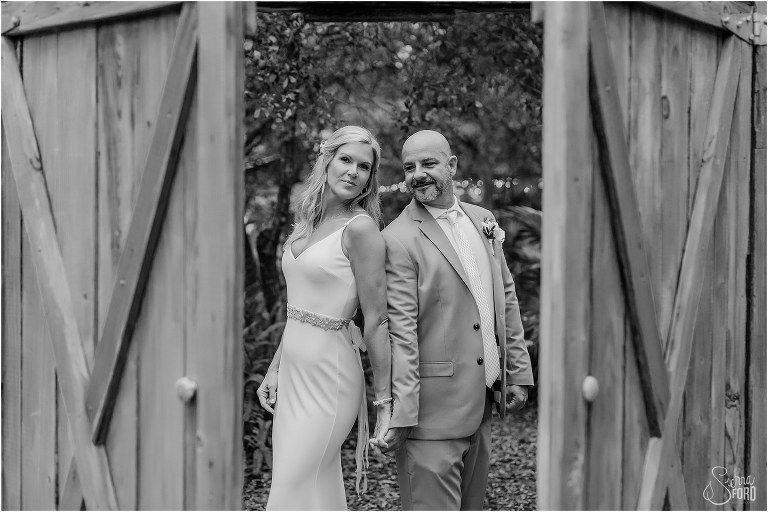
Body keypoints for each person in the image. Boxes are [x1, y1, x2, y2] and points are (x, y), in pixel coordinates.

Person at [381, 130, 534, 510]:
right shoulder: (397, 239)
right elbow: (401, 332)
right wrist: (401, 414)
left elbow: (505, 298)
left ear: (451, 166)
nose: (418, 174)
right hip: (429, 417)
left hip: (481, 403)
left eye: (428, 163)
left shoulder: (483, 219)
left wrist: (517, 371)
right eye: (410, 167)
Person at [257, 126, 392, 510]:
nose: (353, 171)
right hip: (294, 373)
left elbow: (377, 319)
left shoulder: (361, 228)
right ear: (327, 160)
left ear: (370, 177)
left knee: (290, 487)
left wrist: (385, 402)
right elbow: (299, 309)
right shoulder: (306, 223)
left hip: (329, 377)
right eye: (345, 160)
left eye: (363, 166)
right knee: (314, 489)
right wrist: (275, 367)